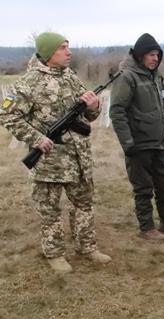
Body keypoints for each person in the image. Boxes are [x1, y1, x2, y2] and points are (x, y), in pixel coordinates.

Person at [0, 32, 111, 273]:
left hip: (79, 158)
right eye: (62, 48)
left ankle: (87, 247)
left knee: (84, 204)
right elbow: (7, 114)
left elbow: (87, 115)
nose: (68, 52)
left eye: (68, 47)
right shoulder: (28, 83)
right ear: (48, 53)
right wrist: (36, 138)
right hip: (49, 161)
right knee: (50, 210)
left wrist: (95, 106)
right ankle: (55, 253)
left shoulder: (70, 77)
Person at [109, 33, 164, 240]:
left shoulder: (157, 77)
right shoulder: (126, 77)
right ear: (140, 55)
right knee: (143, 187)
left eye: (157, 55)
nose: (155, 58)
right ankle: (146, 228)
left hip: (158, 142)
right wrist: (127, 142)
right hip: (138, 144)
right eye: (151, 55)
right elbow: (117, 111)